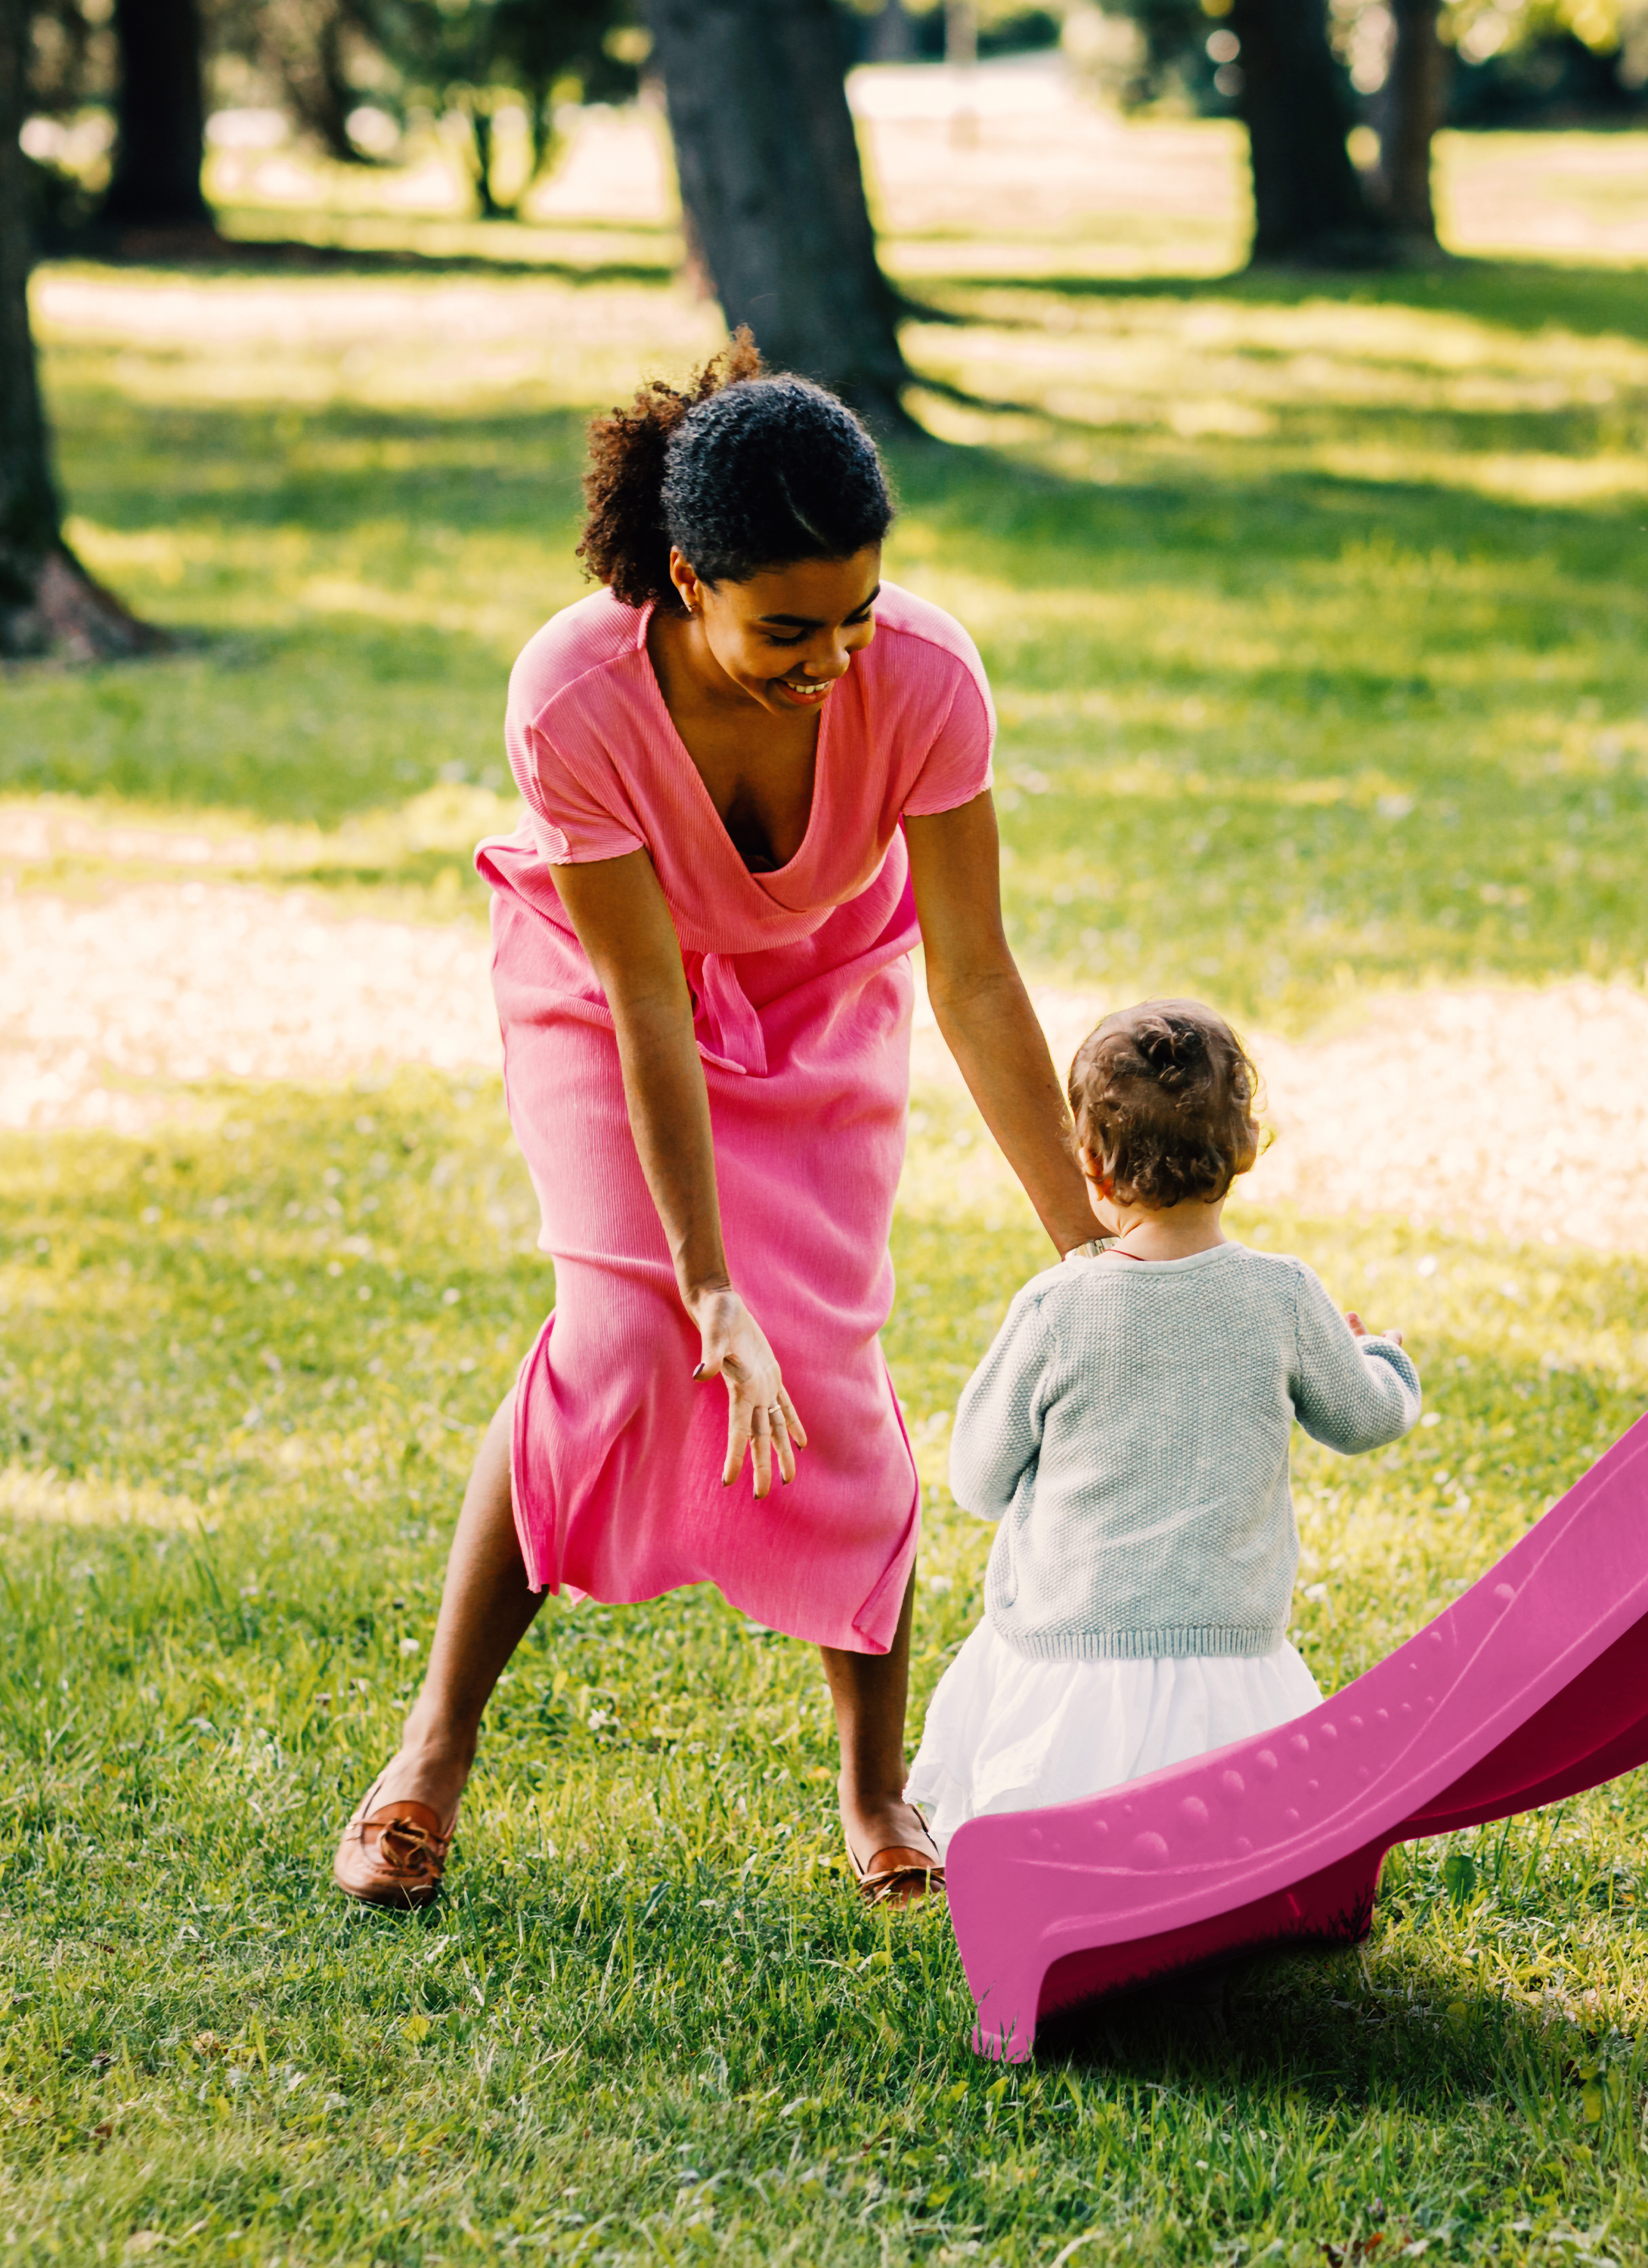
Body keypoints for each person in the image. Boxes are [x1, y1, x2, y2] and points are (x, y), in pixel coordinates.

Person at [333, 336, 1107, 1911]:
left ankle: (877, 1789)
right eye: (790, 628)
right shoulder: (577, 697)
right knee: (618, 1342)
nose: (835, 661)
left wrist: (1094, 1252)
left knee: (828, 1356)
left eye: (860, 614)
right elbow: (646, 1005)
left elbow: (972, 976)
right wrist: (700, 1281)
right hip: (615, 1000)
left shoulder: (930, 682)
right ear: (688, 581)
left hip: (826, 990)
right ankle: (428, 1758)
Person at [906, 999, 1422, 1847]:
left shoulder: (1056, 1307)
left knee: (1062, 1852)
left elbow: (976, 1479)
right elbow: (1364, 1419)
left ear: (1092, 1169)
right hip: (1229, 1658)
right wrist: (1387, 1362)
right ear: (1246, 1149)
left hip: (1066, 1658)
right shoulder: (1285, 1294)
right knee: (1231, 1861)